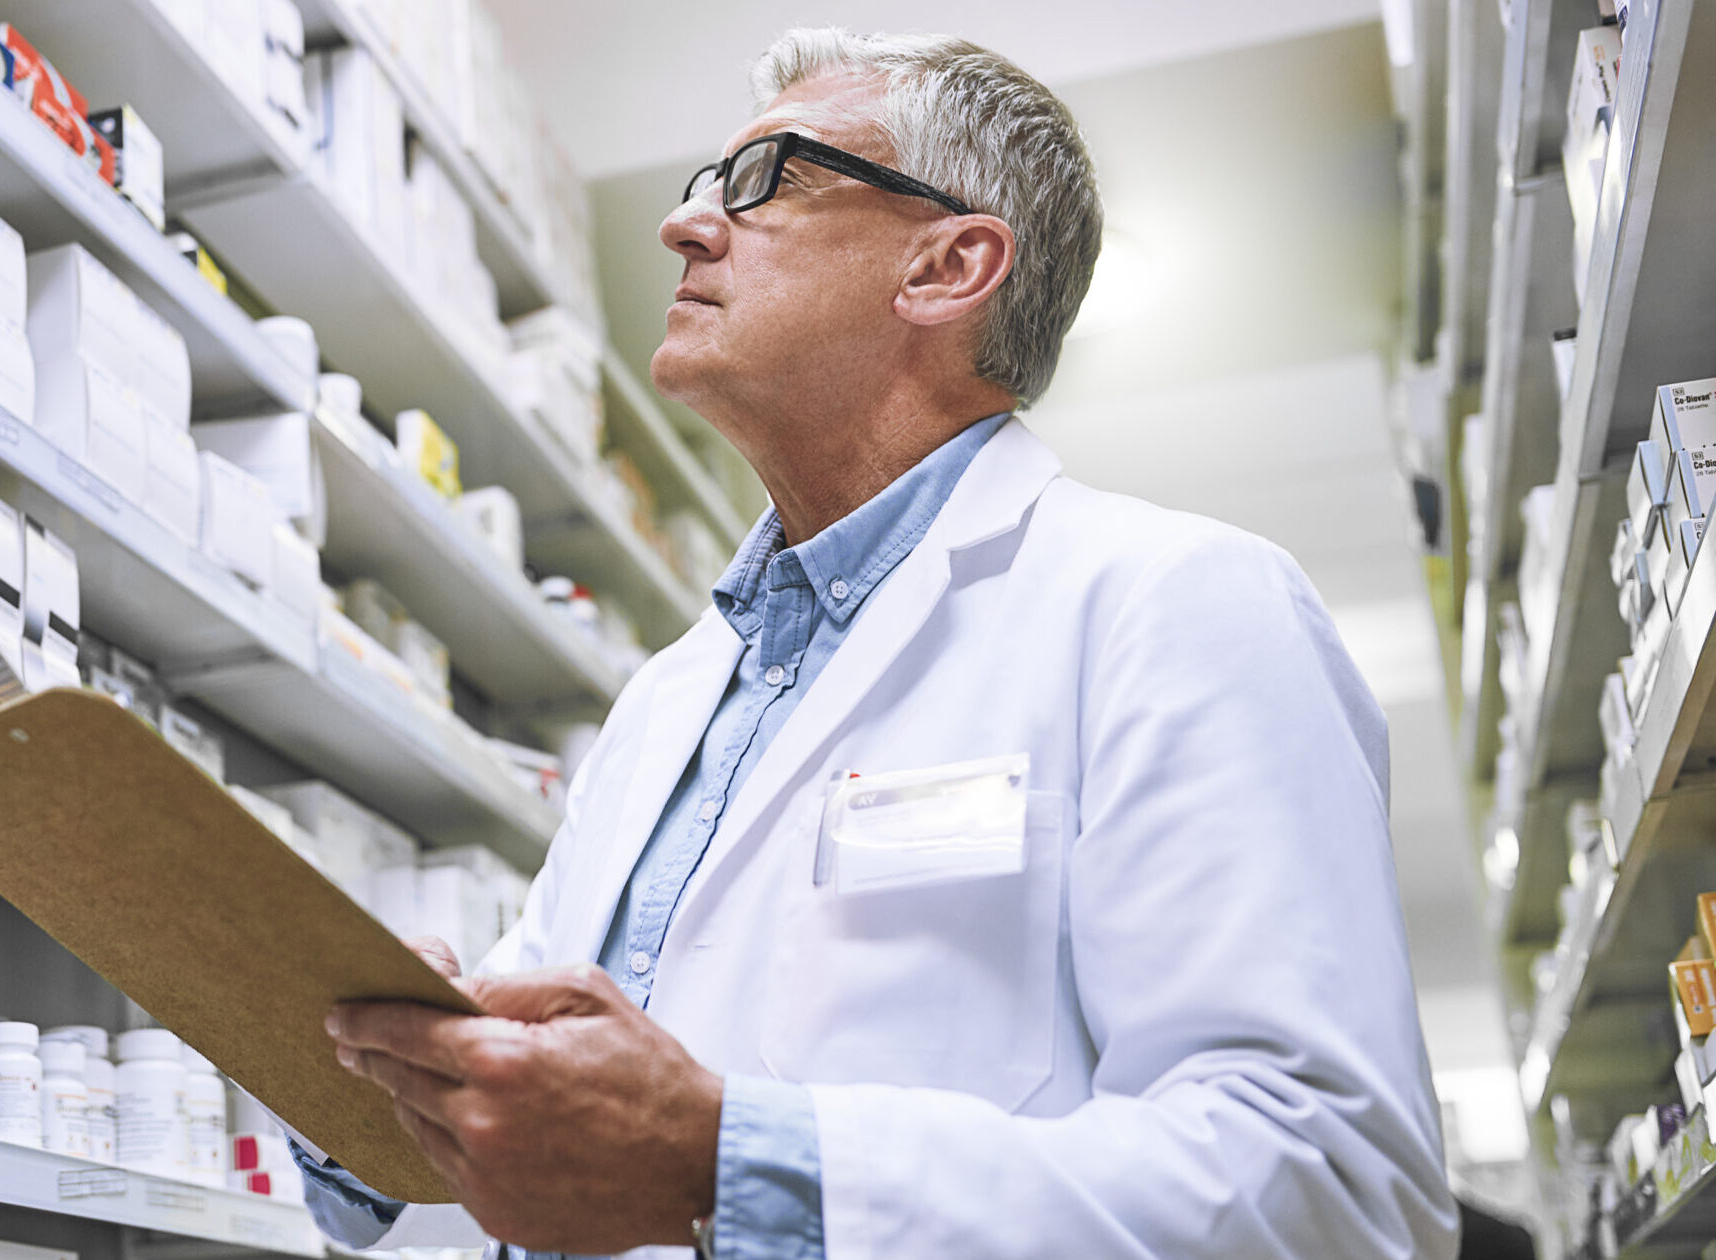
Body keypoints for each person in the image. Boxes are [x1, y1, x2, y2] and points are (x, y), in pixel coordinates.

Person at [293, 26, 1461, 1260]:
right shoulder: (668, 701)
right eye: (701, 189)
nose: (684, 228)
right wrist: (383, 1083)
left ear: (949, 265)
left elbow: (1330, 1187)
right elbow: (547, 1159)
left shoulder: (1177, 605)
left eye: (767, 180)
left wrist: (727, 1163)